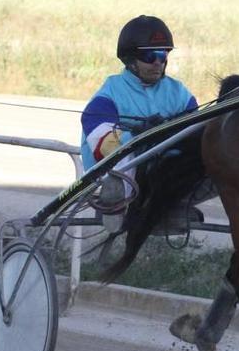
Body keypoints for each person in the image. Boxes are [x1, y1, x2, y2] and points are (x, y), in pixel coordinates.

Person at [80, 15, 198, 218]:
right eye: (150, 56)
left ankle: (170, 203)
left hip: (160, 170)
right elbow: (102, 140)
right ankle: (120, 205)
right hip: (115, 172)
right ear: (130, 59)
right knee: (126, 153)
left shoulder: (178, 92)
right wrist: (139, 137)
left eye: (163, 55)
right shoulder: (110, 93)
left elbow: (196, 132)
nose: (158, 63)